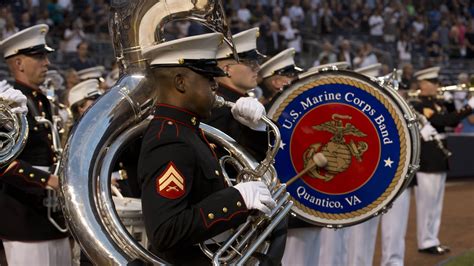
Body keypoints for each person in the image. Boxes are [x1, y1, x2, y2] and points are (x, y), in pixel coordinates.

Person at [138, 32, 276, 265]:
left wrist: (254, 131)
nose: (215, 85)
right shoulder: (170, 140)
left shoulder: (188, 130)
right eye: (208, 78)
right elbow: (165, 231)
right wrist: (236, 199)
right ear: (180, 82)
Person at [0, 24, 71, 265]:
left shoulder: (40, 100)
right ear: (18, 64)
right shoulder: (7, 103)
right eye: (39, 57)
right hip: (25, 222)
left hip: (52, 218)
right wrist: (48, 181)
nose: (47, 63)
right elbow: (3, 161)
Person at [411, 66, 474, 255]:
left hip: (438, 158)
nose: (438, 85)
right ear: (423, 84)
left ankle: (432, 239)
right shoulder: (419, 105)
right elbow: (443, 122)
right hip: (428, 159)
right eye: (434, 82)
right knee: (427, 203)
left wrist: (453, 105)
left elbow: (452, 121)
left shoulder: (437, 103)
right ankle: (425, 241)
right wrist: (469, 107)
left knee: (436, 203)